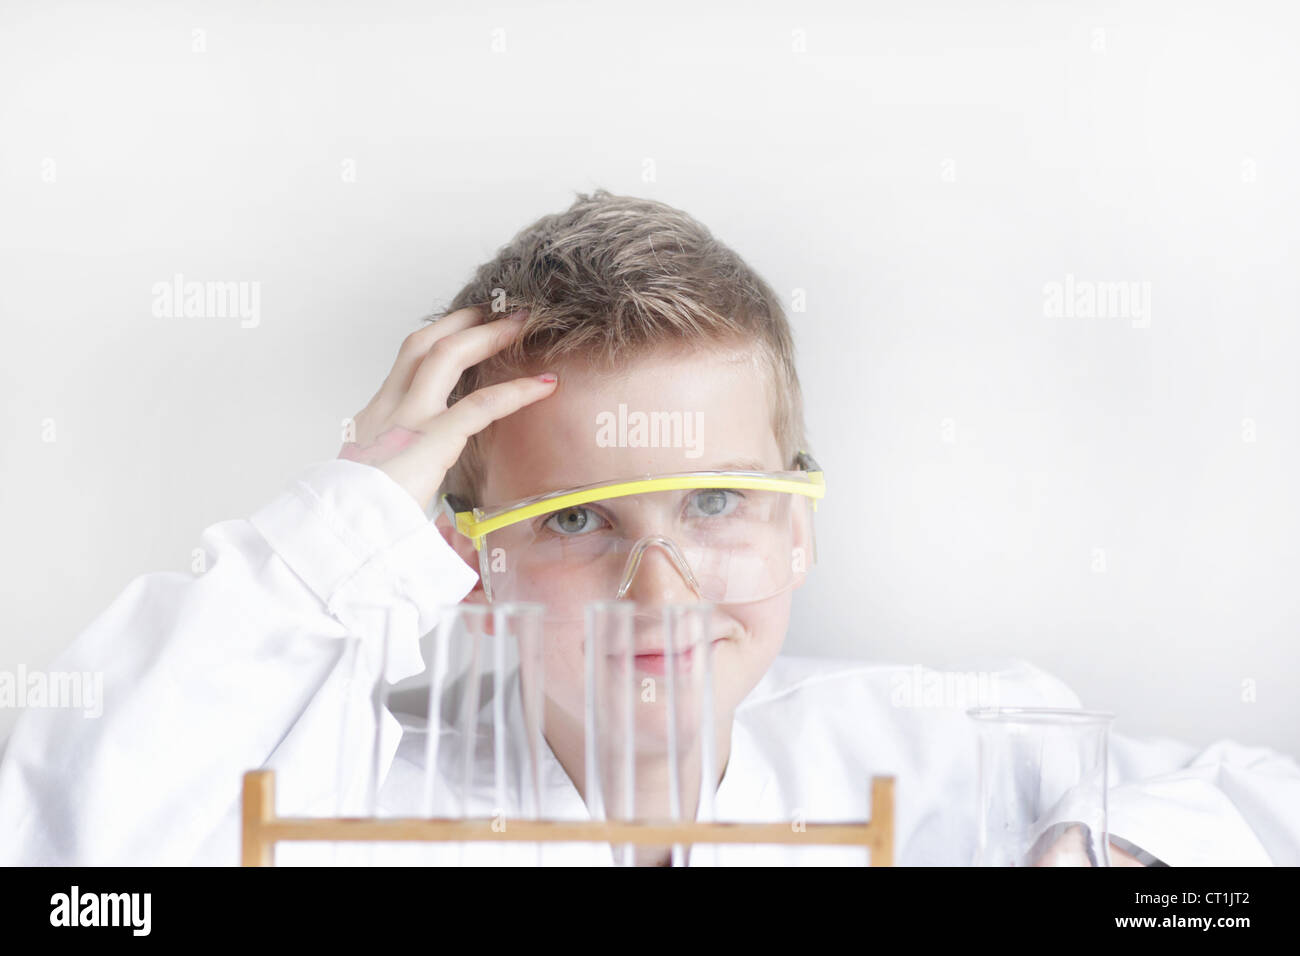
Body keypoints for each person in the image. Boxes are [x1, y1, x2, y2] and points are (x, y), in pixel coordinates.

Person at [1, 190, 1297, 866]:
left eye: (718, 502)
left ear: (801, 528)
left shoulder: (957, 755)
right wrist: (348, 520)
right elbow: (72, 859)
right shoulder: (354, 805)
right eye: (575, 520)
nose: (663, 593)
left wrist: (1126, 855)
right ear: (467, 562)